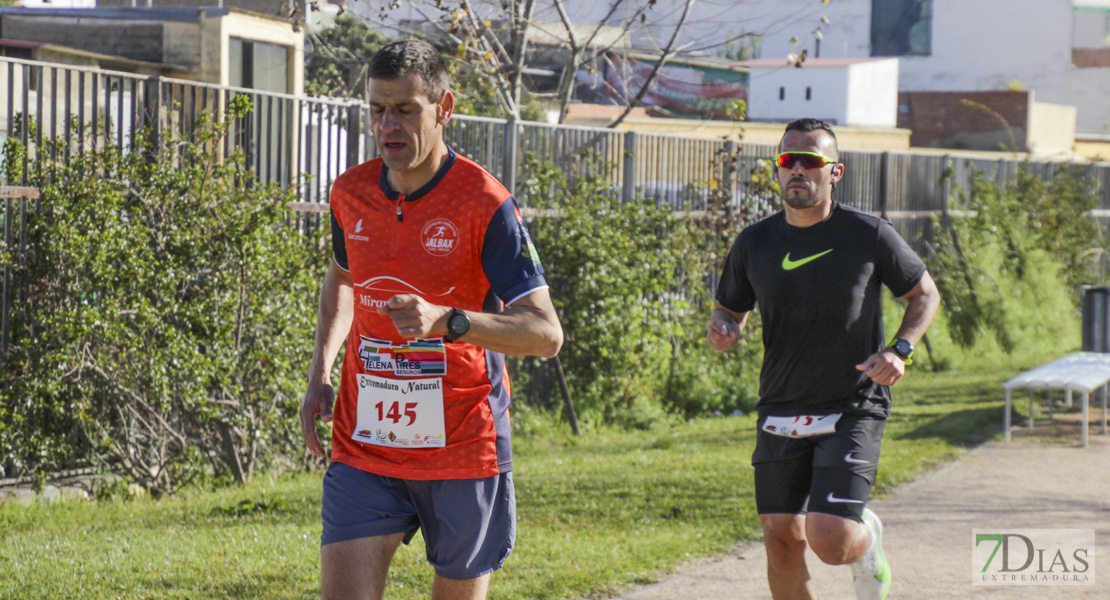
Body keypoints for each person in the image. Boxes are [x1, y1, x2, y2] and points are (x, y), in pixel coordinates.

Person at [299, 39, 563, 600]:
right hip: (365, 441)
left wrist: (448, 321)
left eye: (405, 109)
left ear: (444, 108)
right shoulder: (350, 193)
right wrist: (320, 371)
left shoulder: (485, 204)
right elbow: (342, 279)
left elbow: (545, 333)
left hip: (463, 446)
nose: (387, 125)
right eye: (377, 109)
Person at [707, 118, 940, 600]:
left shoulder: (868, 233)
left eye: (810, 161)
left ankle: (867, 542)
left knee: (829, 541)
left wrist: (900, 350)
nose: (796, 170)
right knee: (780, 539)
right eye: (786, 160)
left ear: (834, 172)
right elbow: (732, 306)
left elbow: (924, 294)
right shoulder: (755, 242)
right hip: (780, 404)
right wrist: (726, 328)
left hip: (852, 403)